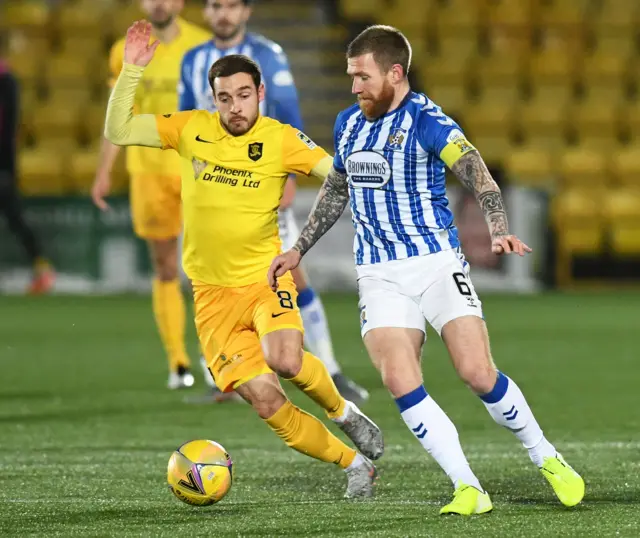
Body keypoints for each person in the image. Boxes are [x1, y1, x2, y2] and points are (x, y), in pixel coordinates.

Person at [268, 25, 585, 515]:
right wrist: (300, 249)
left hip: (436, 263)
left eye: (363, 76)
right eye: (351, 76)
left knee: (477, 373)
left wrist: (498, 225)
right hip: (378, 272)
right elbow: (336, 190)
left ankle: (546, 455)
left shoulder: (427, 120)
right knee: (399, 378)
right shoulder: (348, 124)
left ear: (396, 73)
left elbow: (478, 173)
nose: (355, 87)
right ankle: (468, 488)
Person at [104, 21, 383, 498]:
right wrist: (133, 69)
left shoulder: (280, 139)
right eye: (224, 97)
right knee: (265, 401)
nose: (234, 106)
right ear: (214, 98)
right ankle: (355, 464)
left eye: (243, 95)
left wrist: (373, 180)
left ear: (259, 94)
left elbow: (337, 176)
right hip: (211, 298)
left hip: (264, 278)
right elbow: (120, 128)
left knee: (286, 360)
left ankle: (344, 413)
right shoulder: (191, 128)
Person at [179, 0, 368, 404]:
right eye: (215, 5)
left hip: (258, 185)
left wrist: (287, 177)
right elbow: (182, 123)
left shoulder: (268, 55)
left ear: (245, 11)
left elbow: (289, 119)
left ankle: (331, 369)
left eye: (231, 5)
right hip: (211, 192)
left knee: (293, 277)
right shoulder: (192, 60)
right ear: (207, 13)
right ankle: (222, 372)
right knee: (209, 277)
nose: (223, 13)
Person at [91, 0, 211, 390]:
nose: (159, 3)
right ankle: (178, 362)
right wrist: (104, 171)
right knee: (164, 267)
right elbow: (119, 112)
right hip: (147, 172)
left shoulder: (203, 46)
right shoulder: (125, 48)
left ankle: (215, 356)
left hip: (197, 169)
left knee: (208, 267)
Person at [0, 56, 55, 294]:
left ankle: (42, 269)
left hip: (1, 163)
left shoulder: (6, 81)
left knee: (15, 217)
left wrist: (7, 168)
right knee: (15, 218)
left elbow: (8, 128)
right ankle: (42, 268)